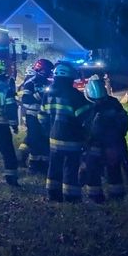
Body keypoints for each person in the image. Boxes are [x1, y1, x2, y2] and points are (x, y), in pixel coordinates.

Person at [38, 61, 93, 202]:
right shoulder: (76, 96)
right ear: (70, 77)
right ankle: (71, 197)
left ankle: (52, 194)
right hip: (71, 139)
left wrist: (48, 130)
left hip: (54, 138)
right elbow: (86, 119)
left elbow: (42, 116)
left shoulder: (48, 93)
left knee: (54, 166)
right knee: (70, 167)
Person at [81, 75, 128, 202]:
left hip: (99, 143)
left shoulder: (87, 103)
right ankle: (112, 196)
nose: (98, 102)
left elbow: (83, 125)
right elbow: (124, 121)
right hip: (109, 143)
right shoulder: (113, 102)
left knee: (96, 169)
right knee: (109, 168)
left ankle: (98, 197)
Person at [16, 58, 53, 174]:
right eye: (48, 70)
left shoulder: (48, 83)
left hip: (46, 116)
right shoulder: (30, 83)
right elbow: (25, 100)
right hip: (33, 115)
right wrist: (39, 96)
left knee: (45, 140)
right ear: (41, 69)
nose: (49, 72)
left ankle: (44, 165)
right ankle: (33, 165)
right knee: (34, 140)